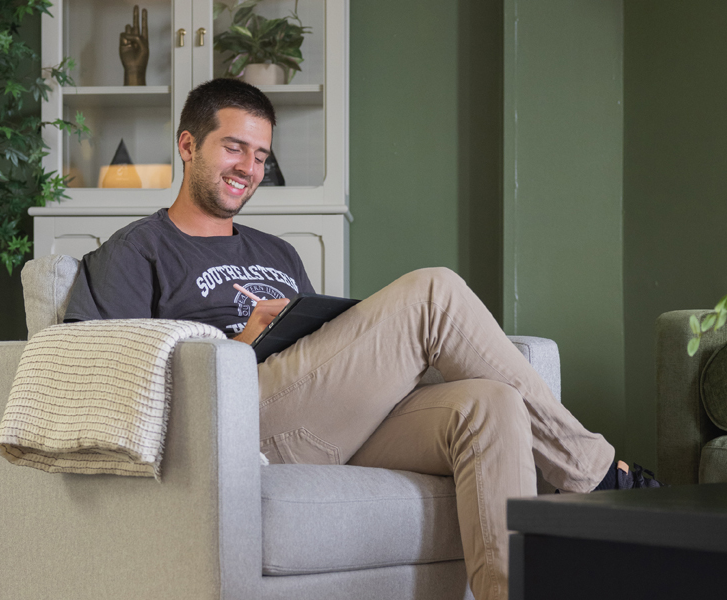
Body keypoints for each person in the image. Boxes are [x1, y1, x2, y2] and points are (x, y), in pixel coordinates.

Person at [64, 78, 659, 600]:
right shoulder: (133, 251)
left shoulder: (278, 252)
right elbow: (111, 374)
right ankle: (599, 477)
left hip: (320, 417)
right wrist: (236, 346)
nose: (249, 167)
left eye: (261, 154)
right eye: (234, 147)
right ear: (188, 145)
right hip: (239, 419)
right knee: (434, 292)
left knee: (490, 403)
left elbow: (318, 353)